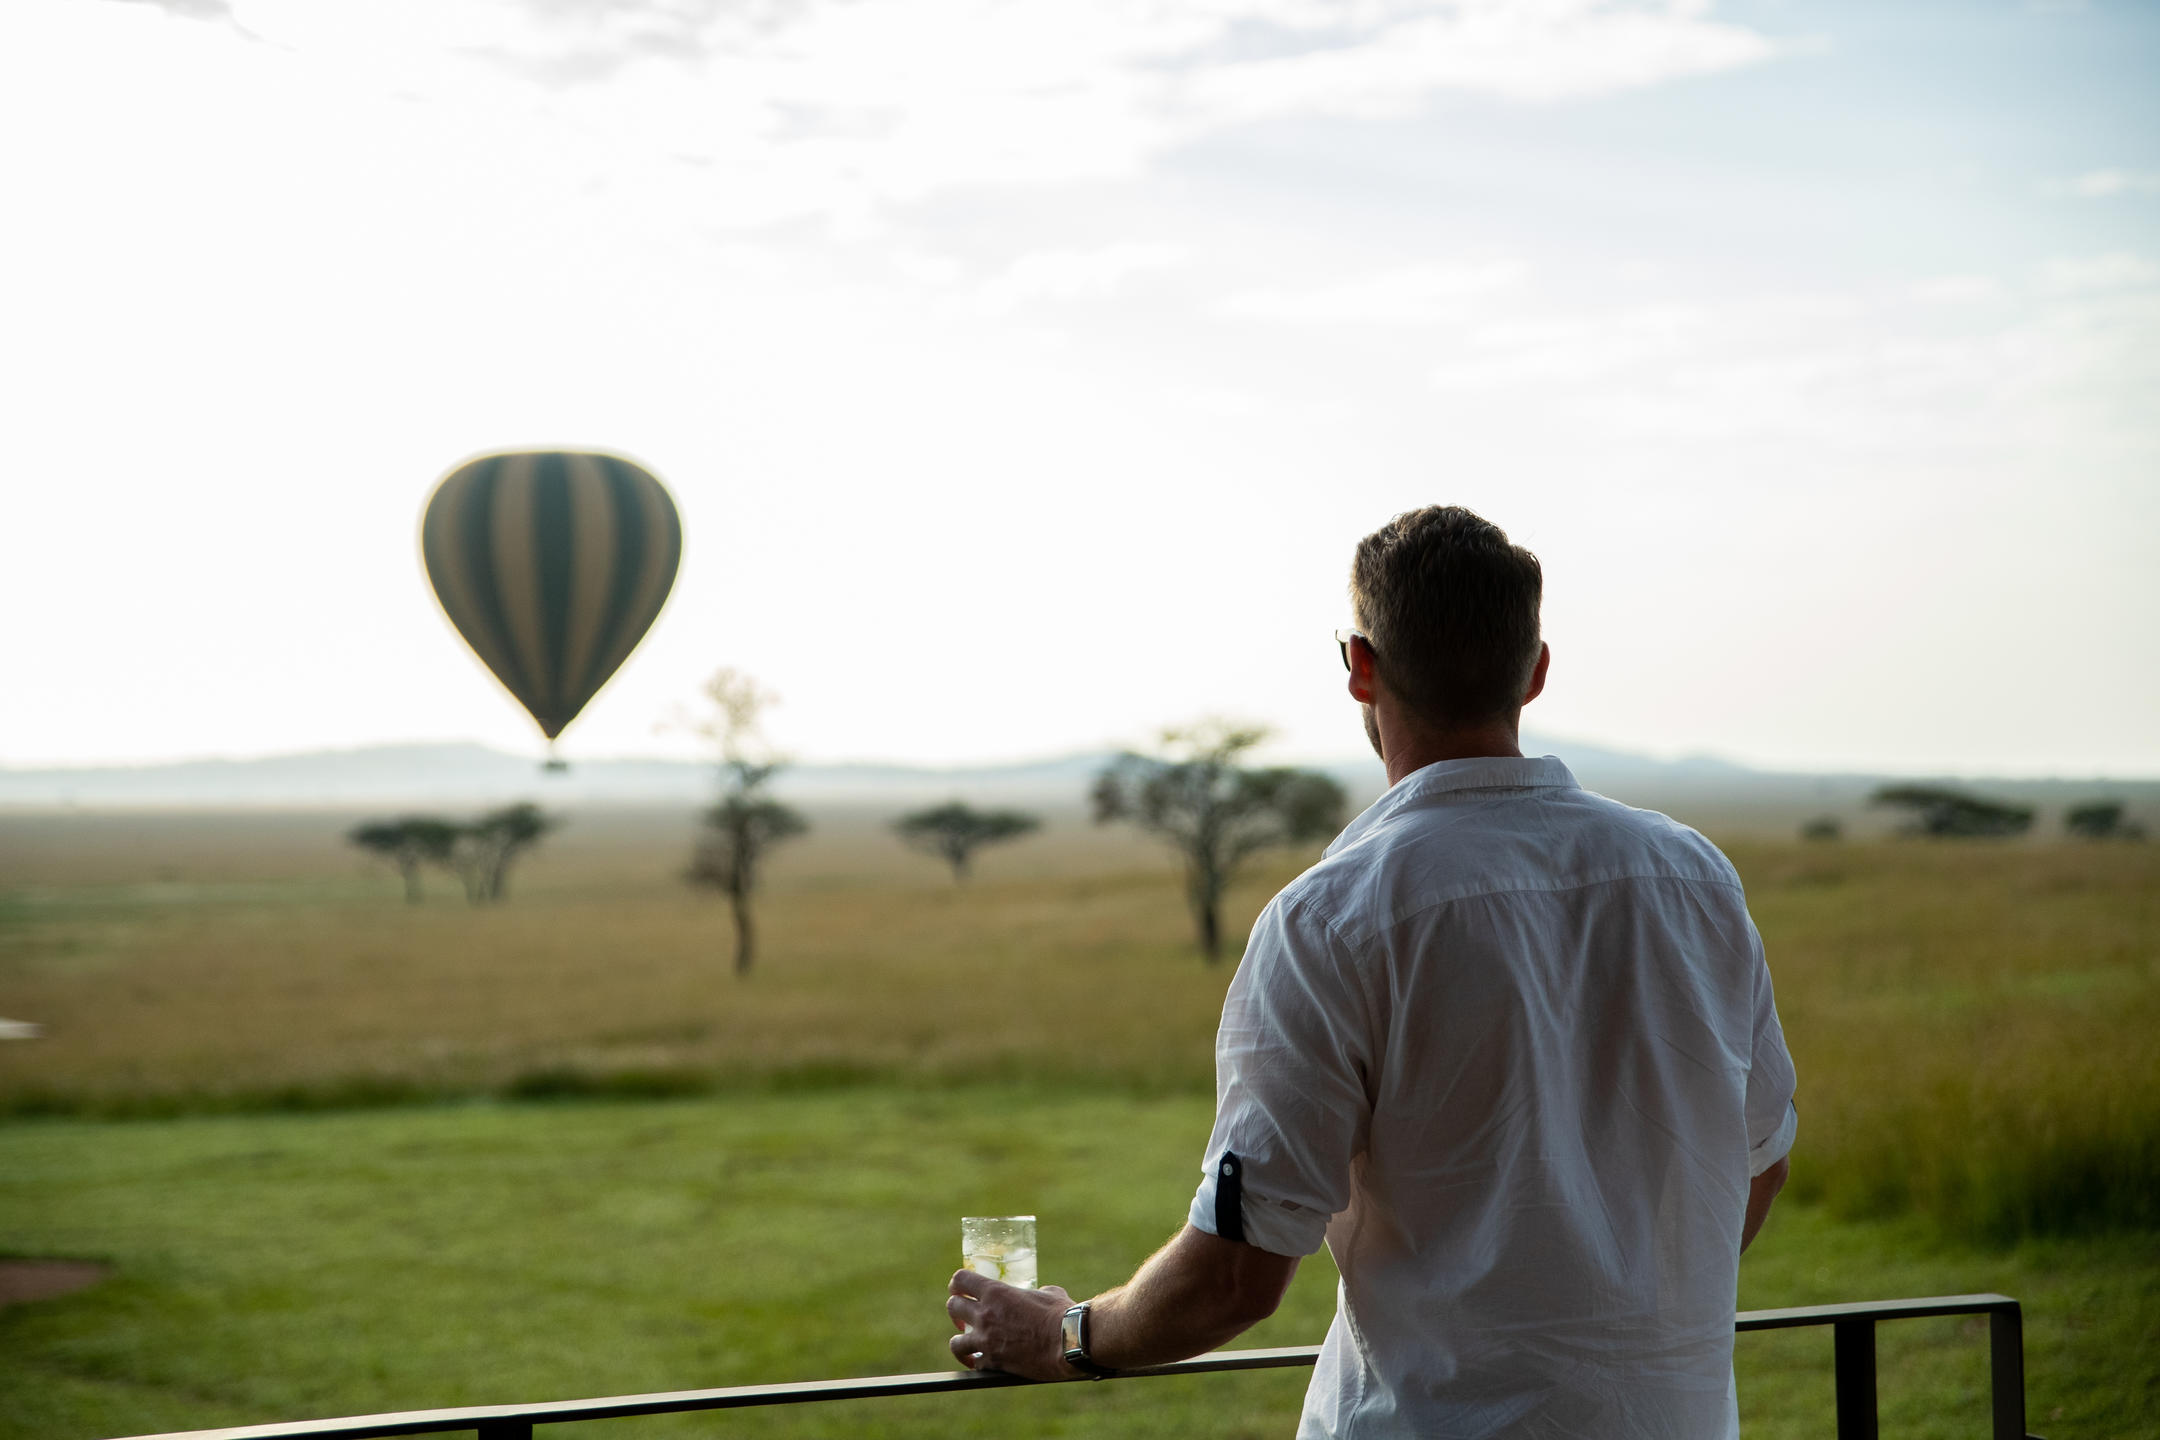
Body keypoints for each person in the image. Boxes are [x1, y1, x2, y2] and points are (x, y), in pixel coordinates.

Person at [946, 505, 1798, 1439]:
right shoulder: (1693, 878)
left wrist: (1066, 1335)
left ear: (1360, 667)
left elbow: (1237, 1276)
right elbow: (1759, 1164)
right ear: (1537, 669)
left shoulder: (1330, 919)